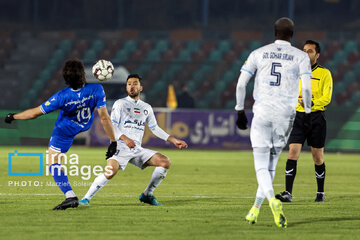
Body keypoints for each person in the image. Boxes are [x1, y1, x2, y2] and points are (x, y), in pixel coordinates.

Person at [4, 59, 117, 210]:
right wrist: (113, 141)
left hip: (63, 132)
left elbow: (34, 113)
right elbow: (104, 117)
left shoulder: (61, 97)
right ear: (83, 75)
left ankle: (70, 196)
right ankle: (70, 196)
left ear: (65, 78)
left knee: (53, 164)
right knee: (56, 163)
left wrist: (14, 116)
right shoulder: (97, 89)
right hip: (82, 126)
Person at [235, 17, 313, 228]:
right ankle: (255, 209)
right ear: (292, 34)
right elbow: (306, 89)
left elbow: (241, 83)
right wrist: (306, 111)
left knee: (261, 166)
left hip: (262, 113)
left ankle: (271, 201)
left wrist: (240, 110)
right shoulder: (300, 56)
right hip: (285, 116)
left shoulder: (258, 53)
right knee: (271, 165)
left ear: (275, 33)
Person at [79, 74, 188, 206]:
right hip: (120, 146)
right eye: (129, 84)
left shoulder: (146, 107)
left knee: (164, 162)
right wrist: (125, 138)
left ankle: (147, 194)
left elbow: (154, 128)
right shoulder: (120, 104)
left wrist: (173, 140)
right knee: (110, 171)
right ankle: (86, 198)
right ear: (126, 87)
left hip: (136, 149)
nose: (132, 86)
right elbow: (112, 125)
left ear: (140, 88)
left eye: (135, 83)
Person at [275, 40, 333, 203]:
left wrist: (312, 103)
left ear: (317, 55)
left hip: (316, 117)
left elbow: (326, 97)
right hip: (299, 117)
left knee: (317, 158)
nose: (306, 53)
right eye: (304, 50)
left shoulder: (324, 74)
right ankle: (288, 193)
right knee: (293, 153)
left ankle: (320, 193)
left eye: (310, 51)